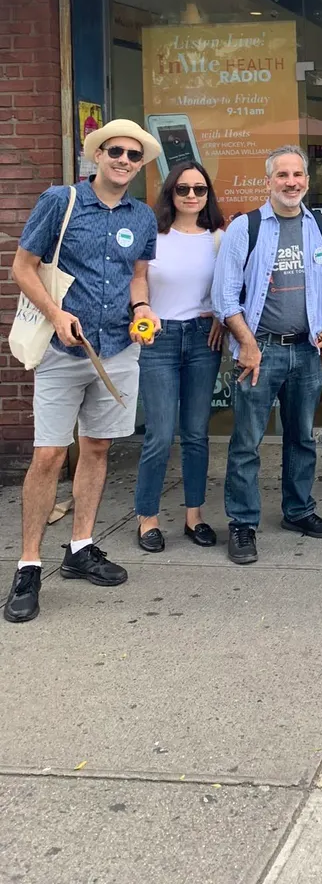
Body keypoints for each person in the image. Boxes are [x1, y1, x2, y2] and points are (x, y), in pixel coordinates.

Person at [4, 120, 161, 624]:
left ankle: (80, 547)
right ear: (98, 154)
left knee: (96, 448)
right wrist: (55, 314)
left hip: (117, 349)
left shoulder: (142, 216)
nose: (123, 160)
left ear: (140, 164)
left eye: (133, 155)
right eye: (115, 151)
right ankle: (29, 565)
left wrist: (143, 309)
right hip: (62, 351)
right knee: (49, 454)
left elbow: (138, 275)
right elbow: (23, 266)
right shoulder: (61, 200)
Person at [212, 145, 322, 566]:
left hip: (306, 350)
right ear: (268, 181)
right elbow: (224, 296)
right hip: (262, 350)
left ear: (307, 179)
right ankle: (242, 523)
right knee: (247, 442)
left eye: (298, 174)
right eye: (283, 175)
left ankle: (299, 510)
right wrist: (247, 343)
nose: (291, 182)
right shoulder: (245, 228)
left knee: (302, 437)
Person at [134, 162, 226, 553]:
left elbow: (230, 286)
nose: (191, 196)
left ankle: (194, 516)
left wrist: (221, 314)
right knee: (159, 433)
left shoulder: (219, 238)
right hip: (160, 338)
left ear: (208, 195)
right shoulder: (153, 234)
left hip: (203, 339)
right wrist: (140, 308)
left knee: (195, 433)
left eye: (199, 189)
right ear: (170, 192)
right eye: (183, 189)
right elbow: (138, 278)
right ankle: (147, 517)